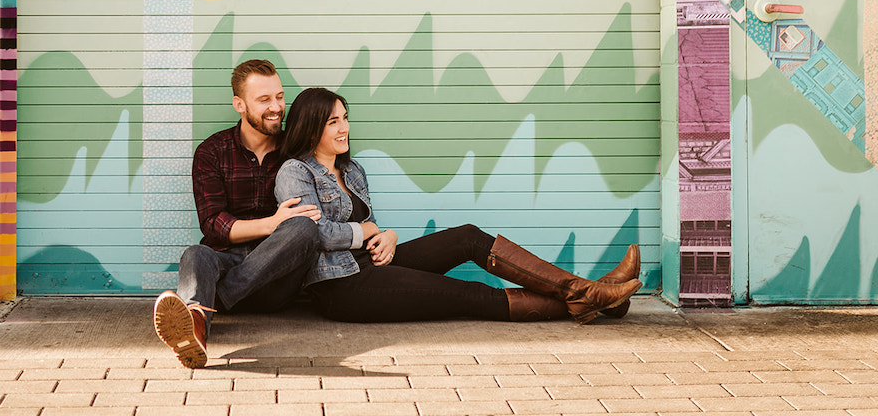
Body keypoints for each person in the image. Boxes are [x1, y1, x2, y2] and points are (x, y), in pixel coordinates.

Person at [274, 87, 642, 325]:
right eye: (333, 121)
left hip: (374, 263)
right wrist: (367, 231)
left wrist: (386, 234)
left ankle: (586, 293)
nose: (345, 128)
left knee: (466, 237)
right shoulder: (295, 172)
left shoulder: (351, 170)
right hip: (343, 286)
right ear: (310, 128)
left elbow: (370, 227)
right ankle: (593, 295)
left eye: (345, 118)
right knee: (469, 294)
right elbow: (313, 235)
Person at [152, 60, 322, 368]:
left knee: (303, 228)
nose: (277, 107)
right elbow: (214, 223)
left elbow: (321, 209)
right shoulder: (211, 152)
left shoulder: (295, 150)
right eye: (264, 100)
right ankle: (196, 331)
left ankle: (211, 302)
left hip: (275, 280)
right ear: (239, 104)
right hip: (226, 261)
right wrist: (272, 223)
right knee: (196, 254)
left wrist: (375, 231)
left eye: (280, 97)